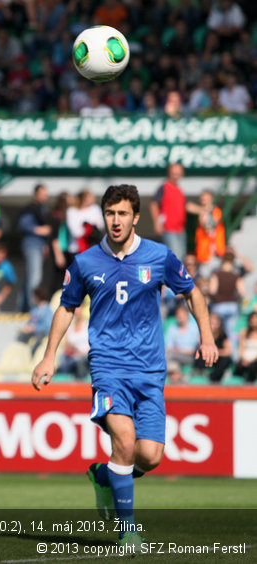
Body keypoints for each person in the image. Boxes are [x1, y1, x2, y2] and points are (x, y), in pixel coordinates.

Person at [32, 184, 217, 549]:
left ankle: (104, 475)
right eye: (110, 214)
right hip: (108, 369)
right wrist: (49, 355)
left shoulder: (159, 256)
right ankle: (127, 529)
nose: (115, 221)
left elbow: (192, 292)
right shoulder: (85, 262)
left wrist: (207, 337)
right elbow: (67, 307)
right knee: (126, 442)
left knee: (150, 456)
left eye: (122, 214)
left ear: (135, 217)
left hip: (150, 371)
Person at [18, 184, 52, 312]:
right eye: (43, 193)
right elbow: (23, 224)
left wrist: (45, 244)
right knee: (35, 278)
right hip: (31, 245)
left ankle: (23, 307)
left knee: (30, 277)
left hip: (40, 246)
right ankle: (34, 309)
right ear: (35, 194)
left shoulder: (44, 209)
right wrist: (39, 230)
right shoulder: (30, 208)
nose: (45, 196)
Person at [149, 163, 187, 260]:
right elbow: (154, 204)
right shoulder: (164, 187)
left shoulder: (179, 189)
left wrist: (202, 209)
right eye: (174, 173)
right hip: (169, 229)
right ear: (169, 173)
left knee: (181, 256)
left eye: (178, 173)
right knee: (176, 256)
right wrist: (156, 223)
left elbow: (186, 205)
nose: (176, 175)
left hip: (180, 229)